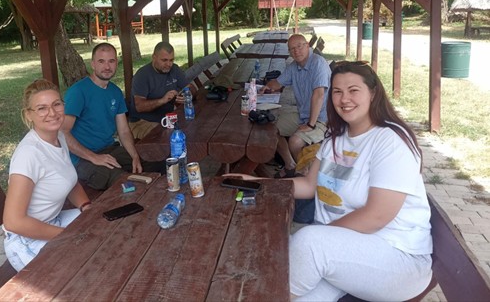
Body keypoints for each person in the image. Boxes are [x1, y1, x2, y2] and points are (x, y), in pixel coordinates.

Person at [229, 61, 433, 300]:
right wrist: (256, 182)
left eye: (353, 90)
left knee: (305, 245)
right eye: (337, 91)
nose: (344, 99)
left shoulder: (390, 141)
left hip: (397, 259)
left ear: (374, 93)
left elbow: (377, 216)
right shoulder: (337, 139)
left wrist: (323, 237)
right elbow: (308, 186)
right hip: (344, 254)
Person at [3, 79, 92, 272]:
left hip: (54, 221)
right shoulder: (29, 154)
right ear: (29, 115)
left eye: (57, 104)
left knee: (102, 228)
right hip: (27, 240)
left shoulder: (58, 136)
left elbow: (69, 181)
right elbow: (13, 221)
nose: (52, 113)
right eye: (42, 108)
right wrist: (68, 235)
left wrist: (87, 208)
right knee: (88, 264)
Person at [62, 43, 160, 190]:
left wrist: (134, 156)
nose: (107, 67)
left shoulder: (115, 91)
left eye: (111, 61)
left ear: (116, 63)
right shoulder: (78, 92)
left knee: (152, 164)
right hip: (82, 159)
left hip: (110, 150)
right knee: (124, 181)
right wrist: (94, 157)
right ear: (93, 64)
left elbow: (124, 131)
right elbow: (62, 132)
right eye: (101, 61)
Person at [262, 33, 331, 178]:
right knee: (271, 128)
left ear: (307, 45)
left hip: (322, 119)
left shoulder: (318, 63)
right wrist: (266, 86)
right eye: (292, 49)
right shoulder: (294, 67)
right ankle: (290, 165)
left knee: (295, 141)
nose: (296, 51)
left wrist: (311, 124)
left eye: (299, 46)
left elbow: (319, 95)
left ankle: (305, 176)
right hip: (303, 115)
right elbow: (278, 82)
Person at [128, 42, 195, 140]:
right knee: (168, 139)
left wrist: (188, 95)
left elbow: (190, 87)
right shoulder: (142, 75)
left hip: (167, 119)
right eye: (164, 60)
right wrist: (162, 100)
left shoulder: (174, 69)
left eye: (171, 60)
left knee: (193, 130)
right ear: (154, 57)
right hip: (142, 122)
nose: (168, 64)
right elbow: (139, 106)